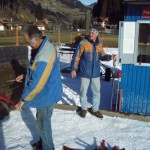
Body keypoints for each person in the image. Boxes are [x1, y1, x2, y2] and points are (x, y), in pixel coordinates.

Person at [15, 25, 62, 150]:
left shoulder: (44, 55)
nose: (28, 45)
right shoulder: (42, 47)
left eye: (28, 42)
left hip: (47, 93)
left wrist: (23, 100)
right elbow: (38, 71)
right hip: (47, 91)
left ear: (35, 39)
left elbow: (37, 83)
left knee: (43, 124)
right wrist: (26, 75)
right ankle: (43, 143)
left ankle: (48, 147)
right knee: (41, 119)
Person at [71, 27, 116, 118]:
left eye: (93, 33)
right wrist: (73, 69)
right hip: (85, 73)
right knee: (83, 92)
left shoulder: (99, 44)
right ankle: (84, 109)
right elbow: (76, 57)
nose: (91, 34)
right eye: (90, 32)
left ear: (97, 35)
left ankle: (95, 110)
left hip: (95, 73)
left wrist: (110, 57)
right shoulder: (83, 43)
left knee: (96, 92)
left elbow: (102, 56)